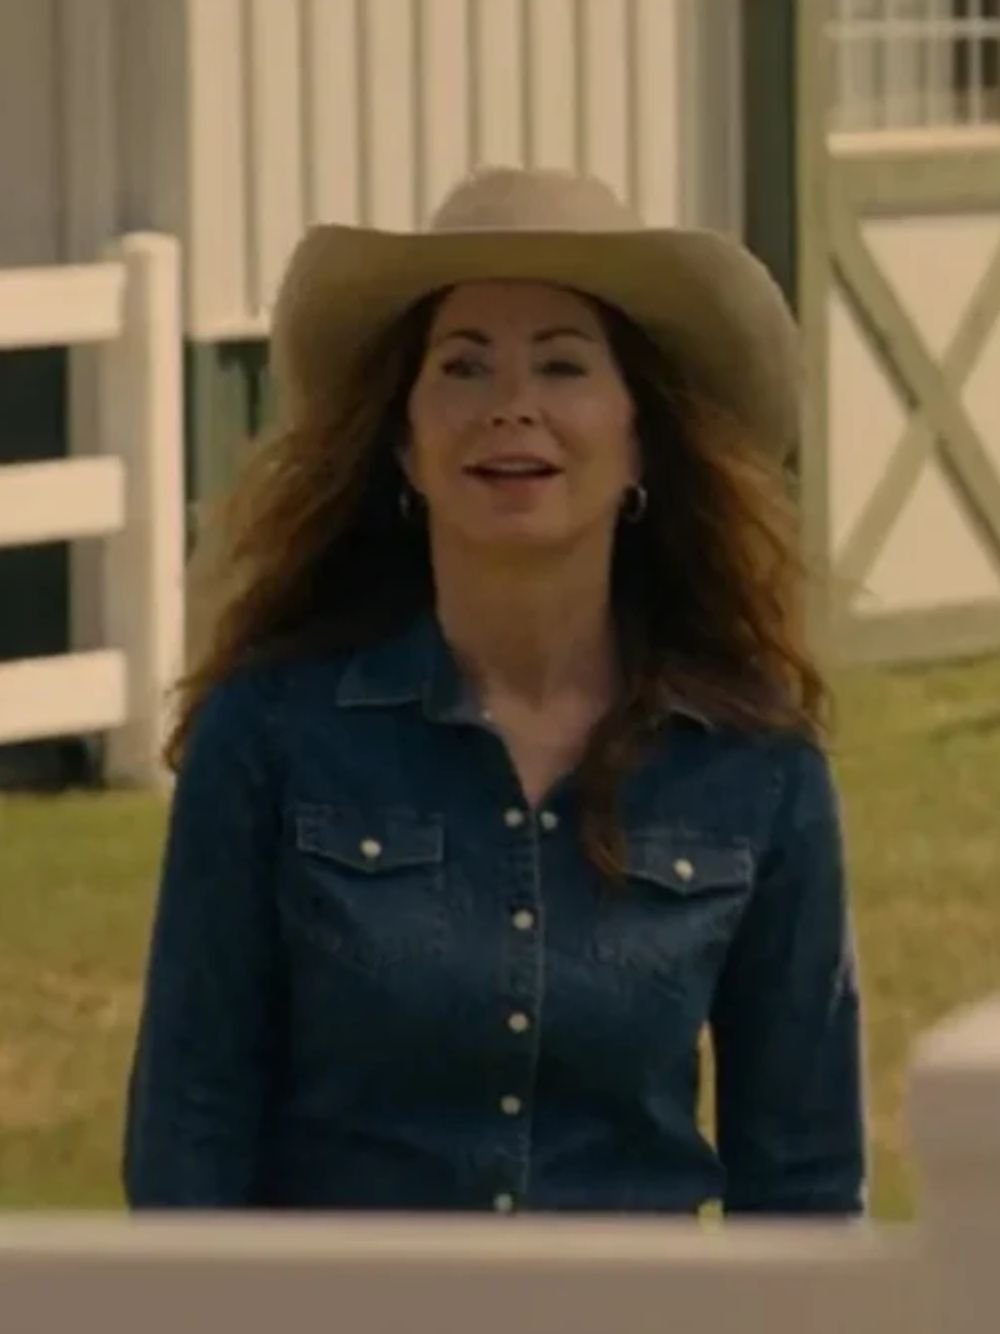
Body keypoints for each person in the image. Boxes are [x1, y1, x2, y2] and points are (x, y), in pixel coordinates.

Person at [123, 166, 866, 1216]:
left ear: (641, 437)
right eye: (464, 366)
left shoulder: (758, 765)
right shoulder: (270, 734)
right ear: (404, 442)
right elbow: (188, 1134)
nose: (513, 406)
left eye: (562, 364)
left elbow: (805, 1178)